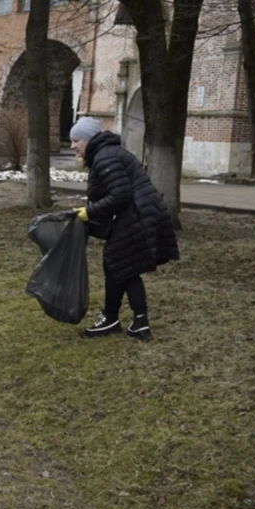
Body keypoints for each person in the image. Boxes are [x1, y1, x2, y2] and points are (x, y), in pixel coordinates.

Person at [69, 116, 179, 341]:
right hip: (140, 210)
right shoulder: (107, 154)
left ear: (89, 140)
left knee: (122, 263)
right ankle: (116, 319)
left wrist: (90, 212)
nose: (72, 146)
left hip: (139, 212)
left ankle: (135, 321)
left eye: (76, 141)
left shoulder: (105, 157)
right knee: (118, 263)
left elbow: (120, 195)